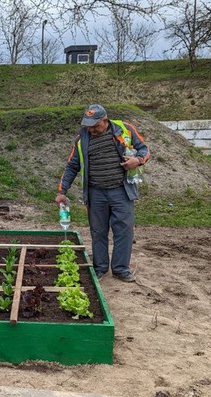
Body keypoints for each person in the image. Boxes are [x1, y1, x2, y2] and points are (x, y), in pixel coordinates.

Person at [55, 104, 151, 282]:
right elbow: (71, 166)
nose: (91, 129)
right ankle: (100, 268)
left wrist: (137, 160)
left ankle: (121, 269)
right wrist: (62, 191)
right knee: (98, 231)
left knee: (123, 230)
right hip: (95, 193)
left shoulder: (125, 129)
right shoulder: (81, 139)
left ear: (105, 120)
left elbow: (144, 149)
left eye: (95, 125)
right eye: (88, 125)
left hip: (121, 191)